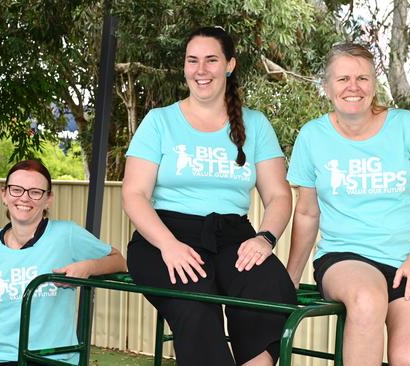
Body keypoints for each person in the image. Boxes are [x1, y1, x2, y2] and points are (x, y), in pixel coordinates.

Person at [122, 26, 297, 366]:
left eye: (211, 60)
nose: (201, 70)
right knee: (196, 301)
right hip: (166, 237)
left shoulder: (255, 125)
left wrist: (265, 238)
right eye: (192, 61)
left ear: (229, 65)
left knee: (272, 288)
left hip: (234, 237)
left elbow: (278, 195)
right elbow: (133, 194)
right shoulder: (159, 122)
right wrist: (168, 245)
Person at [286, 43, 410, 366]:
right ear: (327, 86)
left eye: (362, 78)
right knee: (367, 300)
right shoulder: (312, 136)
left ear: (374, 85)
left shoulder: (408, 127)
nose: (353, 87)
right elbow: (306, 212)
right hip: (346, 256)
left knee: (409, 357)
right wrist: (289, 276)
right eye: (343, 78)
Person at [0, 160, 127, 365]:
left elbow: (119, 261)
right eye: (16, 190)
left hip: (49, 358)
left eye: (35, 192)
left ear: (48, 199)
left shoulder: (66, 235)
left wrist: (88, 267)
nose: (24, 198)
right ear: (4, 194)